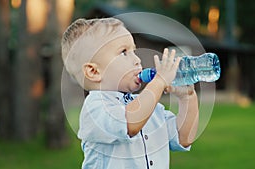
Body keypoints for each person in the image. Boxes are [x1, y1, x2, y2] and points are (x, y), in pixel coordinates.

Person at [61, 17, 199, 169]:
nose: (137, 60)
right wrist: (158, 82)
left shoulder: (148, 106)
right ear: (94, 71)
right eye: (124, 52)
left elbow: (183, 138)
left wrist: (188, 98)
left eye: (134, 50)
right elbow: (130, 124)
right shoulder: (95, 108)